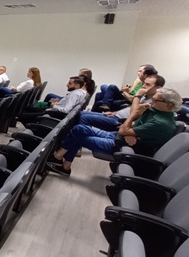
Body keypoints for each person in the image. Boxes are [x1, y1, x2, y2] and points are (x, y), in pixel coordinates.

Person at [47, 87, 181, 176]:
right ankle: (62, 162)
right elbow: (126, 128)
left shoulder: (160, 122)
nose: (151, 101)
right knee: (79, 129)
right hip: (119, 137)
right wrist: (129, 130)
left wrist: (133, 116)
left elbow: (124, 129)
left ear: (168, 105)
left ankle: (61, 162)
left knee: (78, 137)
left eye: (155, 100)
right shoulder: (155, 111)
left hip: (122, 146)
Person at [78, 75, 165, 132]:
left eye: (147, 84)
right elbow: (131, 107)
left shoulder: (154, 102)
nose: (143, 86)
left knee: (84, 117)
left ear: (158, 88)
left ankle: (79, 140)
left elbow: (133, 113)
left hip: (119, 121)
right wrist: (115, 112)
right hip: (115, 115)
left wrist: (137, 95)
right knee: (80, 113)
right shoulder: (145, 95)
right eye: (144, 83)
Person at [19, 76, 87, 125]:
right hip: (56, 109)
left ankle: (32, 127)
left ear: (77, 85)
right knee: (31, 108)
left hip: (55, 113)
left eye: (70, 83)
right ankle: (32, 125)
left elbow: (66, 110)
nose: (67, 85)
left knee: (23, 115)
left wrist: (53, 105)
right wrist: (58, 103)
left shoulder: (74, 94)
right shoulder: (81, 92)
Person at [92, 64, 157, 111]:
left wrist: (124, 91)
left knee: (109, 88)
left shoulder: (145, 86)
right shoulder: (140, 82)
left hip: (127, 101)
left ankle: (105, 105)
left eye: (140, 71)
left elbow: (132, 99)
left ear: (145, 74)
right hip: (125, 96)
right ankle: (104, 106)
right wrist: (128, 88)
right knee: (102, 90)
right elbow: (131, 92)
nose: (138, 73)